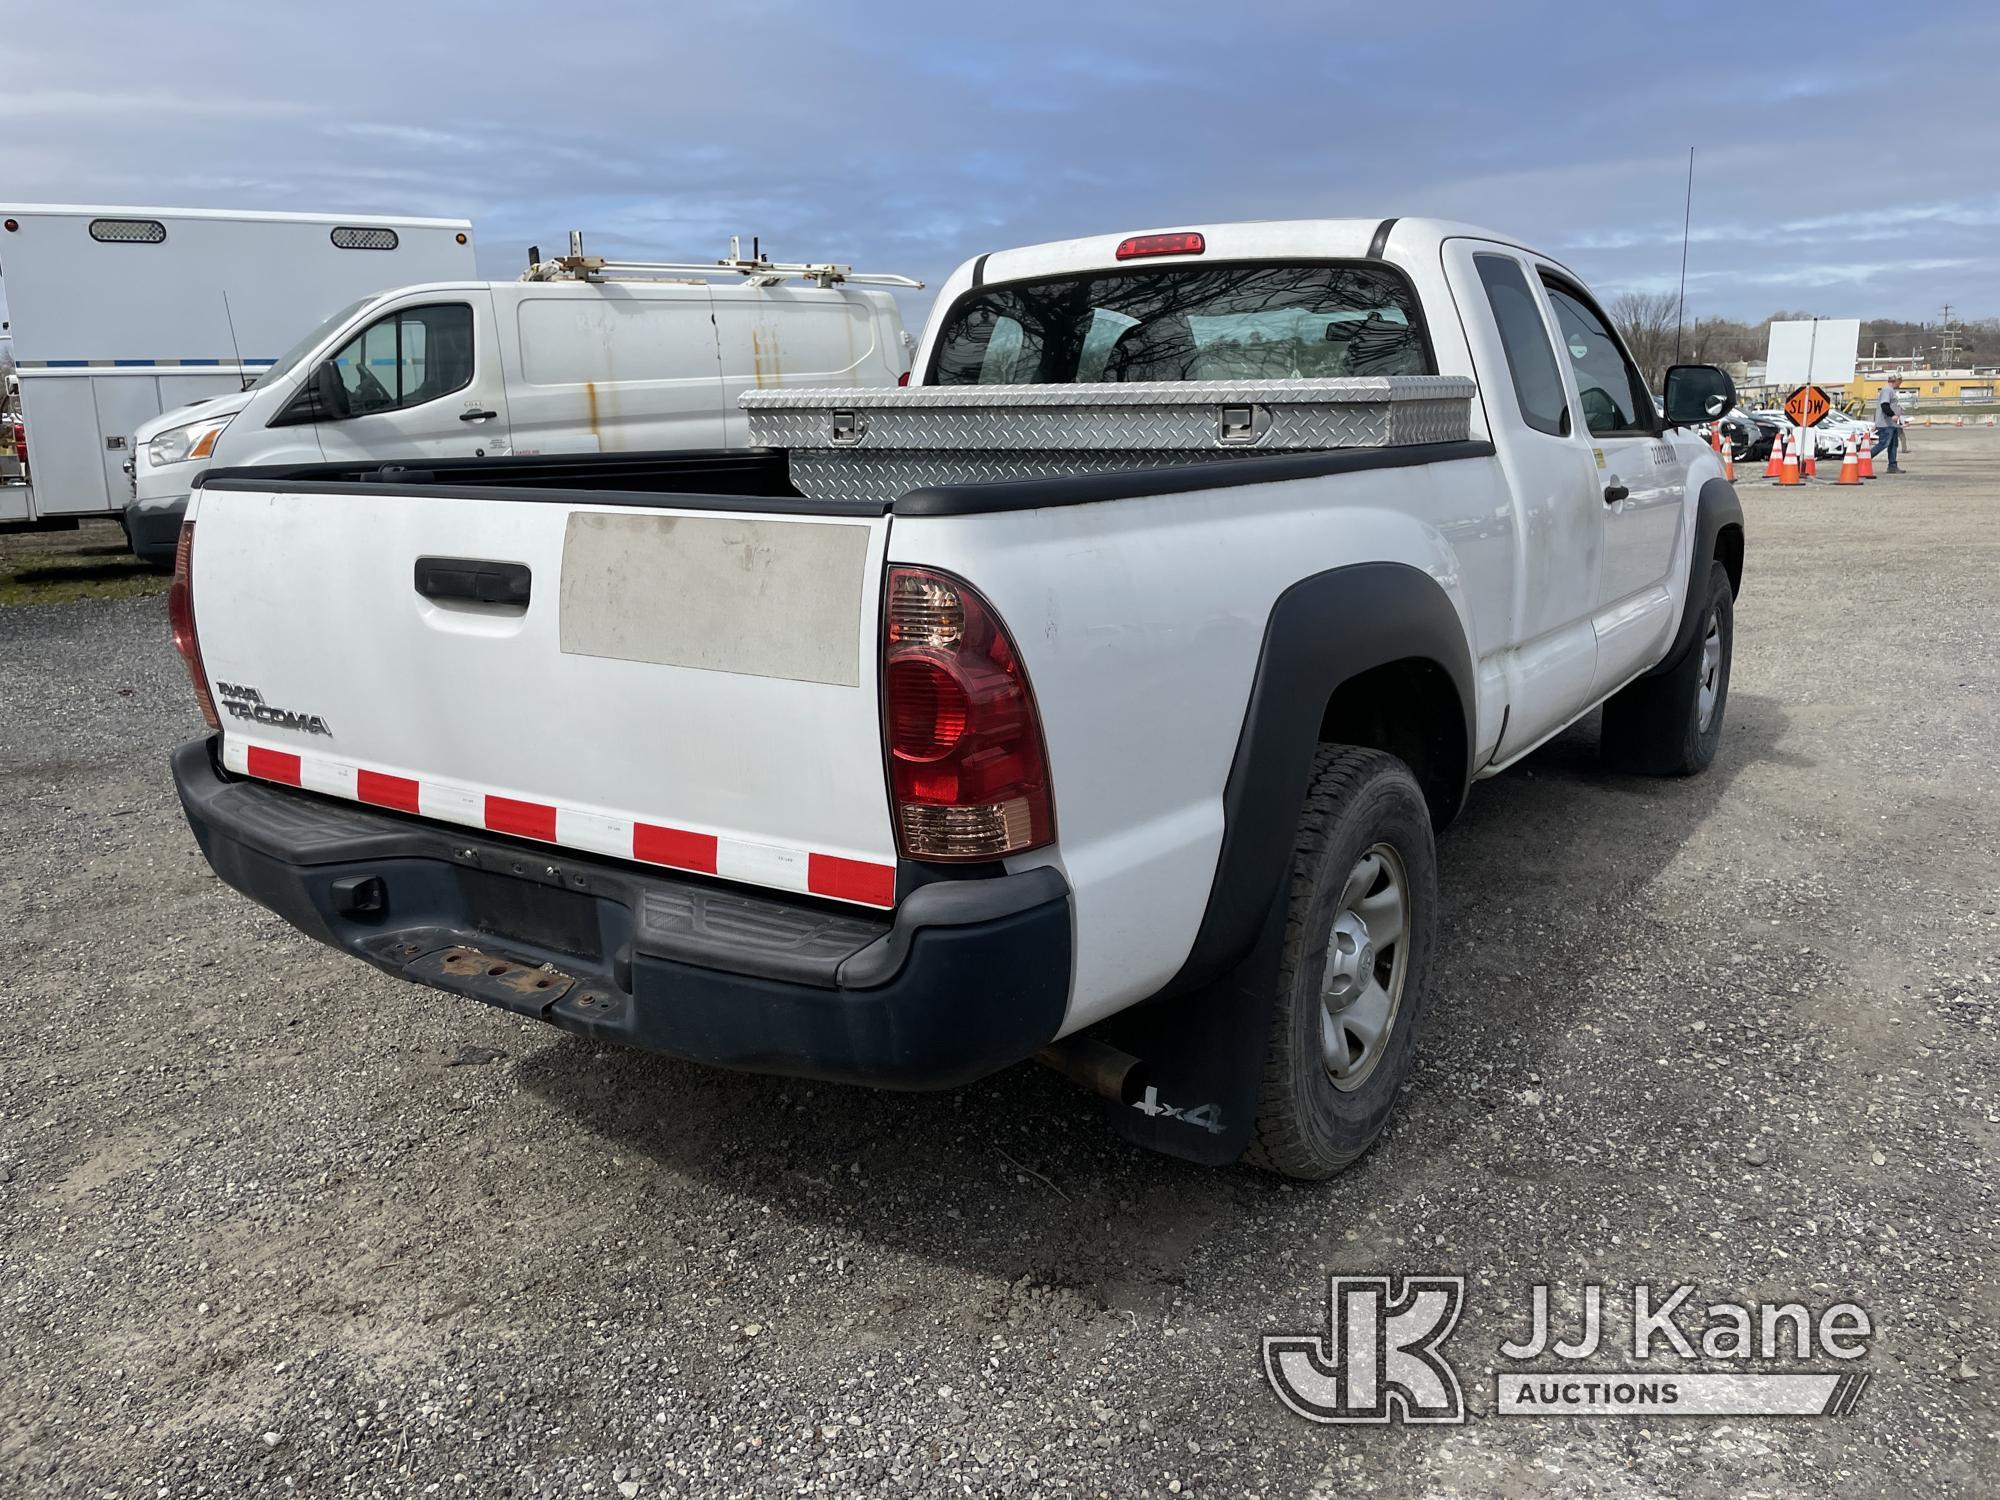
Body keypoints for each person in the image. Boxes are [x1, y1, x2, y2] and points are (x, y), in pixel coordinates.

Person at [1874, 374, 1907, 473]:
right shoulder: (1887, 390)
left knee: (1893, 445)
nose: (1901, 383)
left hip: (1892, 424)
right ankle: (1864, 459)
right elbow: (1884, 405)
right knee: (1883, 444)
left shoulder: (1890, 390)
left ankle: (1892, 466)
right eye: (1900, 381)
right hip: (1886, 423)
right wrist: (1892, 415)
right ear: (1896, 381)